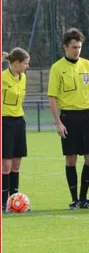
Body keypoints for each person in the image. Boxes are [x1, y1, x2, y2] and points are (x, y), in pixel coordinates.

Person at [48, 28, 89, 209]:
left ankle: (84, 198)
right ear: (65, 47)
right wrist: (58, 122)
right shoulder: (57, 68)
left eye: (79, 47)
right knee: (71, 159)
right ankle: (74, 200)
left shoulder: (87, 65)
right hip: (68, 117)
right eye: (73, 47)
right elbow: (52, 97)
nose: (77, 50)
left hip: (86, 116)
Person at [2, 48, 30, 212]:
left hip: (19, 122)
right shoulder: (3, 77)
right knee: (5, 165)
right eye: (25, 63)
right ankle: (3, 202)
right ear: (17, 63)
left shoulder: (23, 77)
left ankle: (14, 201)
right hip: (5, 122)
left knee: (16, 165)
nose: (27, 66)